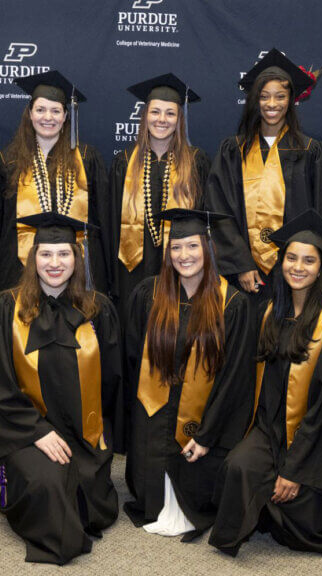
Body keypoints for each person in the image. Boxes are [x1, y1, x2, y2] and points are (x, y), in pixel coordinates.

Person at [209, 209, 322, 557]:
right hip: (271, 431)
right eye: (291, 258)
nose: (298, 267)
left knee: (308, 521)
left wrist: (294, 469)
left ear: (321, 269)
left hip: (317, 441)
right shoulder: (271, 313)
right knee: (237, 468)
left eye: (309, 260)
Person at [0, 213, 120, 565]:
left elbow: (112, 381)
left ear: (77, 258)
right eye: (46, 255)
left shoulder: (98, 309)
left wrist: (96, 432)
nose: (54, 263)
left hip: (83, 432)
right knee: (52, 488)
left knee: (88, 500)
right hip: (26, 432)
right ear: (32, 258)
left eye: (64, 254)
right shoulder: (6, 309)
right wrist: (37, 431)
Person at [123, 209, 253, 539]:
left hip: (205, 419)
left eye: (193, 246)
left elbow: (234, 378)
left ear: (208, 249)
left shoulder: (232, 304)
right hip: (154, 414)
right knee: (149, 484)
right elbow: (133, 359)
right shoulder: (148, 295)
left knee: (198, 486)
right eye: (176, 247)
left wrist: (209, 434)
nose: (184, 255)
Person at [108, 74, 210, 451]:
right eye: (155, 112)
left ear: (179, 119)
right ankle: (133, 431)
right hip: (130, 272)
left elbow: (204, 225)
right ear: (144, 116)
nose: (162, 119)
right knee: (135, 348)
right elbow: (105, 222)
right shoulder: (123, 163)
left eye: (170, 113)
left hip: (180, 271)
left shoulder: (197, 162)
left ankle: (175, 426)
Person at [205, 48, 322, 312]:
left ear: (291, 100)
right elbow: (218, 210)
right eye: (264, 97)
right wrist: (241, 263)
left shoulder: (312, 152)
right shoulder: (232, 151)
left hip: (295, 275)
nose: (272, 104)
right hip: (243, 277)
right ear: (254, 101)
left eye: (280, 96)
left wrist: (304, 267)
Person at [0, 71, 110, 293]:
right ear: (29, 113)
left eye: (56, 111)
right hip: (19, 268)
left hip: (77, 270)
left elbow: (102, 218)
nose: (48, 117)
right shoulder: (8, 161)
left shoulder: (87, 158)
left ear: (66, 116)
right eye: (40, 109)